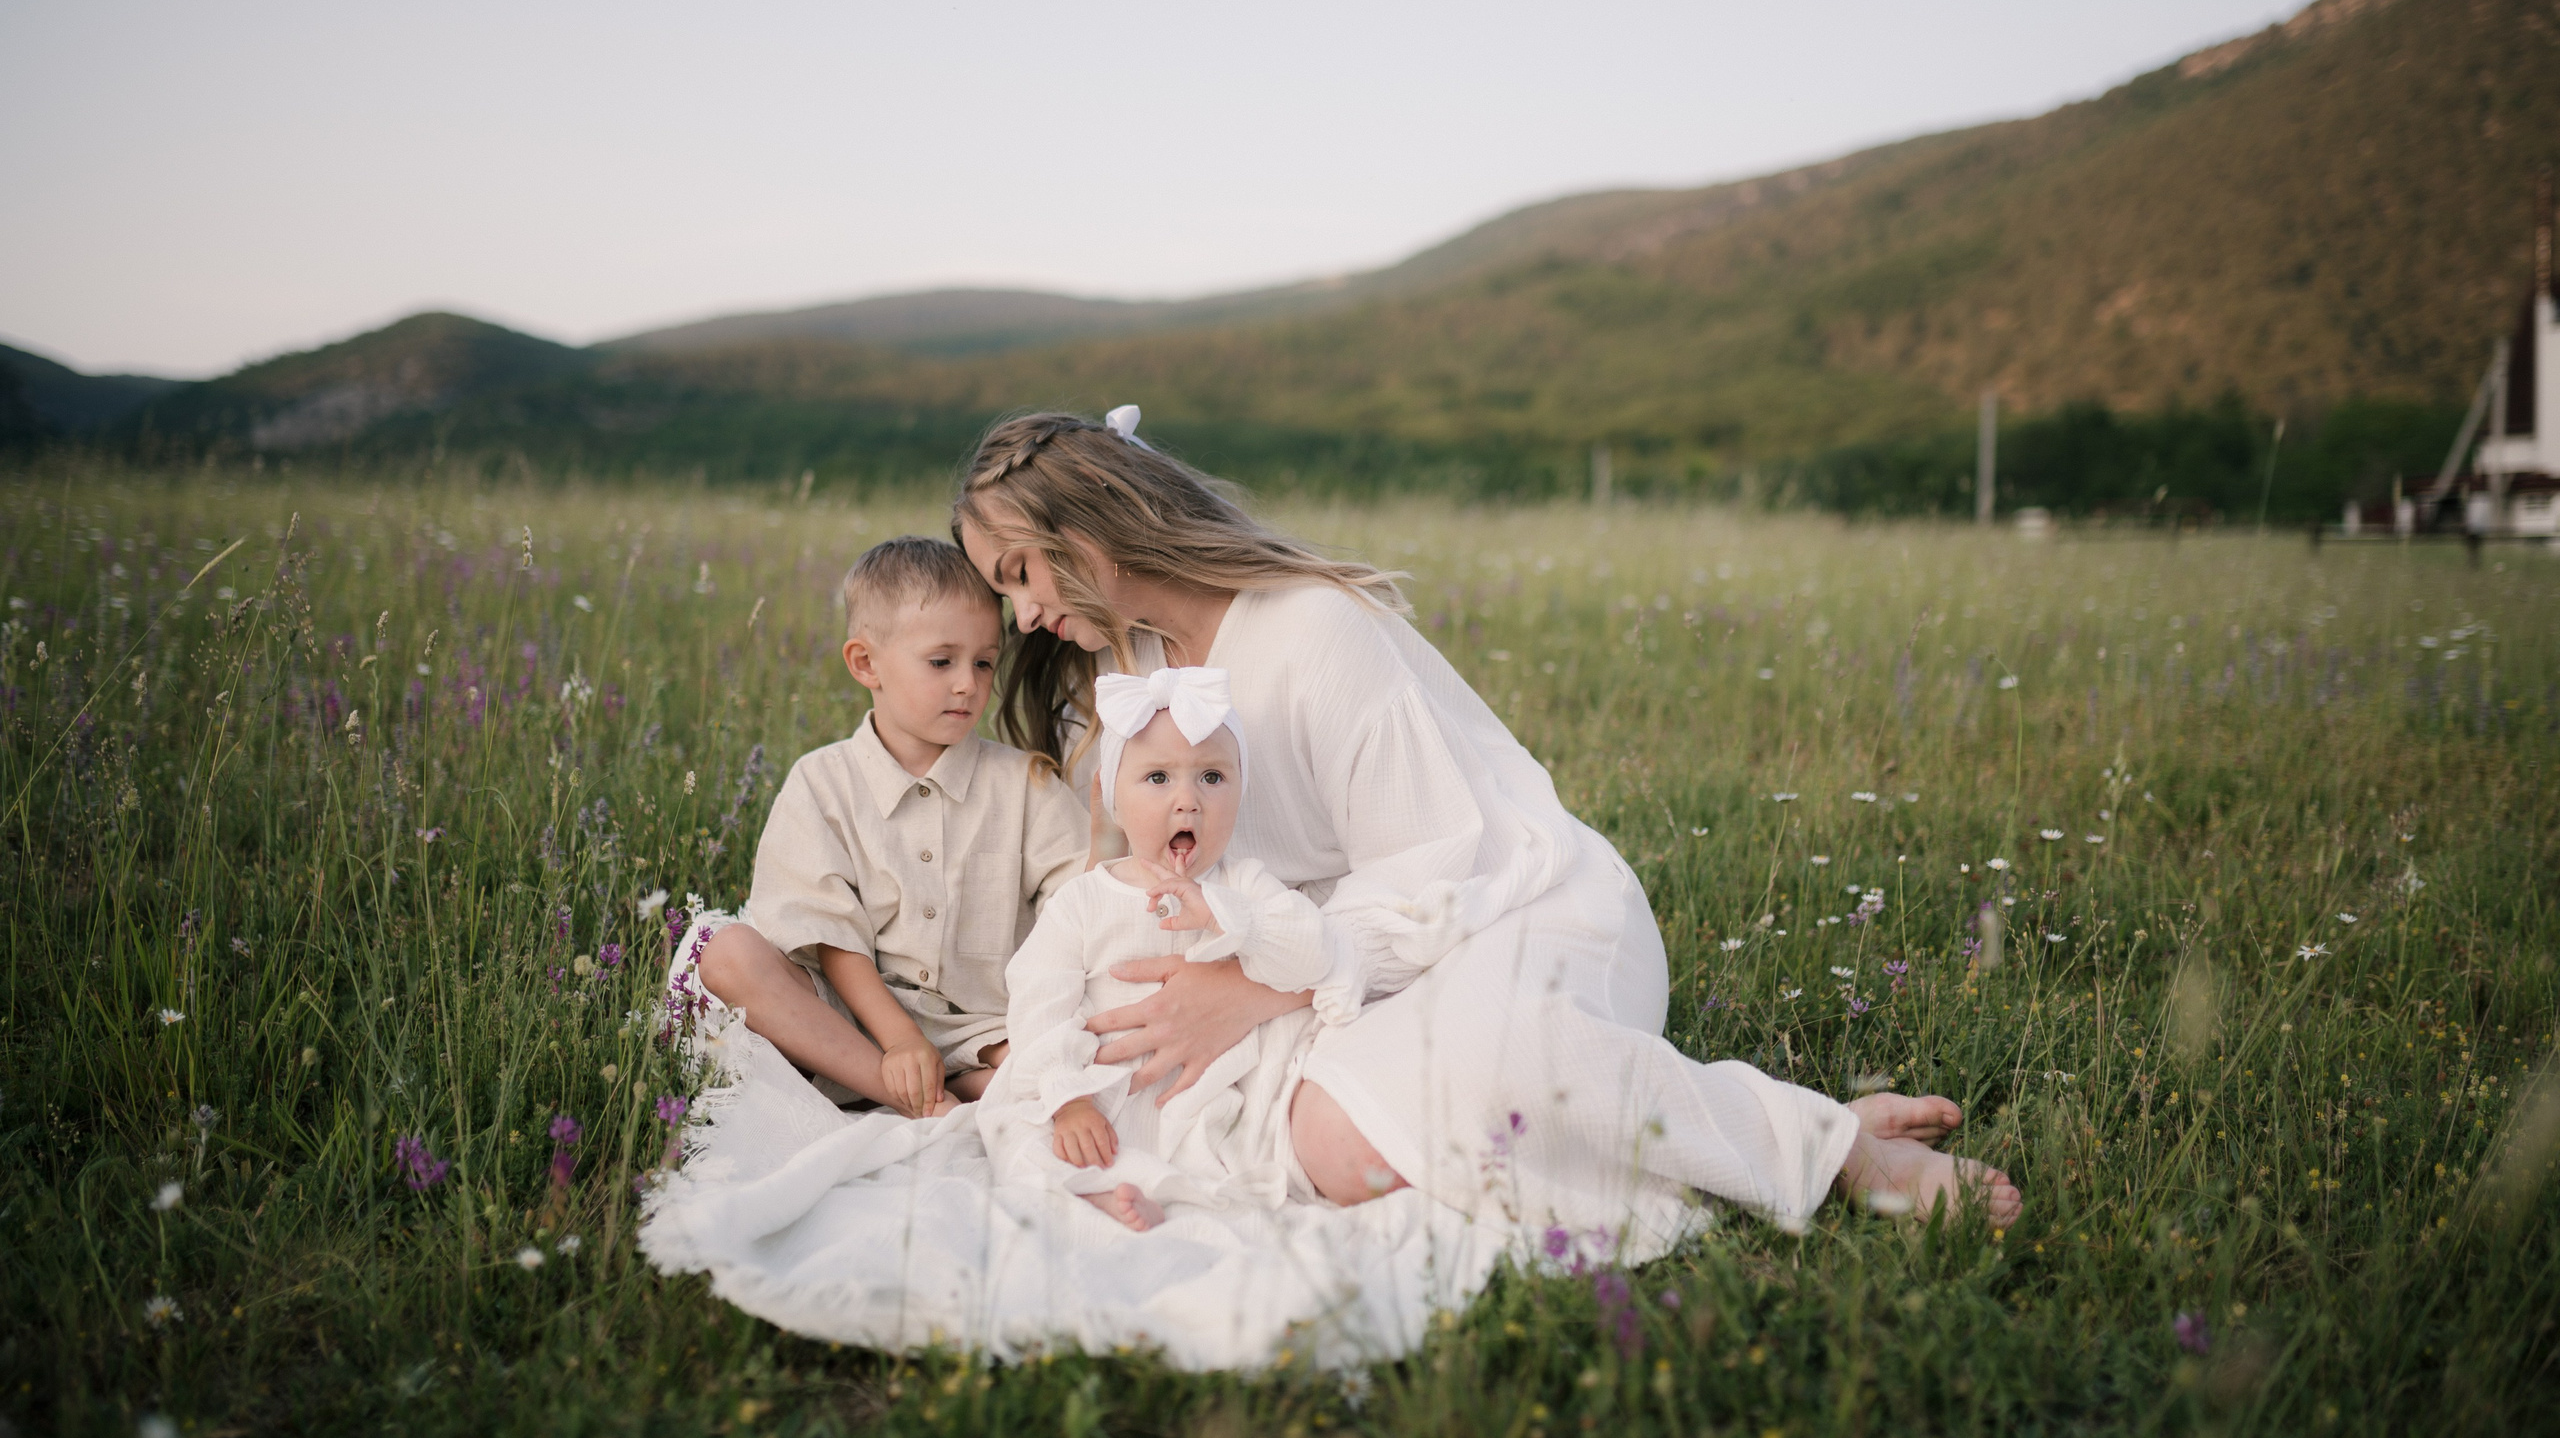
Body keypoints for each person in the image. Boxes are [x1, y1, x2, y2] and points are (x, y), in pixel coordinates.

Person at [953, 408, 2020, 1244]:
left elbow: (1434, 873)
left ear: (1085, 529)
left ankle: (1826, 1149)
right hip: (1330, 965)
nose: (1025, 615)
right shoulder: (1131, 669)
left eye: (1020, 575)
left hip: (1507, 910)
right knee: (1333, 1149)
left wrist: (1247, 990)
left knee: (1491, 1075)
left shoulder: (1313, 630)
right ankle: (1685, 1125)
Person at [692, 535, 1087, 1117]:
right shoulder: (823, 782)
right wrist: (899, 1040)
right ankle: (908, 1092)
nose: (967, 684)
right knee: (727, 955)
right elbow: (830, 935)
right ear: (865, 663)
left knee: (1062, 1048)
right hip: (853, 1020)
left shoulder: (1024, 782)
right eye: (941, 662)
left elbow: (1079, 897)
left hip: (982, 1022)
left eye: (983, 662)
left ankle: (968, 1083)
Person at [985, 664, 1369, 1231]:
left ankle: (1176, 1197)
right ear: (1114, 797)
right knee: (1018, 1136)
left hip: (1203, 1098)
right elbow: (1040, 1004)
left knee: (1232, 1152)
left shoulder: (1243, 888)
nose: (1187, 801)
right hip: (1097, 1092)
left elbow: (1314, 953)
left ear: (1241, 790)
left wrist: (1225, 915)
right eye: (1158, 778)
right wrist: (1068, 1099)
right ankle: (1090, 1192)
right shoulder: (1085, 901)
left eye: (1212, 778)